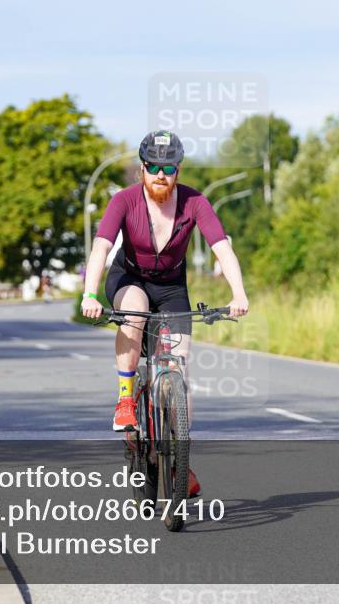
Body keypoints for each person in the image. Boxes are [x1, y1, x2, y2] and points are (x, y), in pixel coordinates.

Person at [80, 130, 249, 497]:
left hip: (172, 288)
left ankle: (179, 459)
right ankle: (126, 399)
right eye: (153, 166)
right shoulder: (123, 201)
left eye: (168, 167)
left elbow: (222, 247)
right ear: (142, 168)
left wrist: (238, 292)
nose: (161, 174)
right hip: (129, 279)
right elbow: (100, 249)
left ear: (178, 169)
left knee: (178, 366)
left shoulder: (195, 202)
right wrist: (90, 294)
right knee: (136, 312)